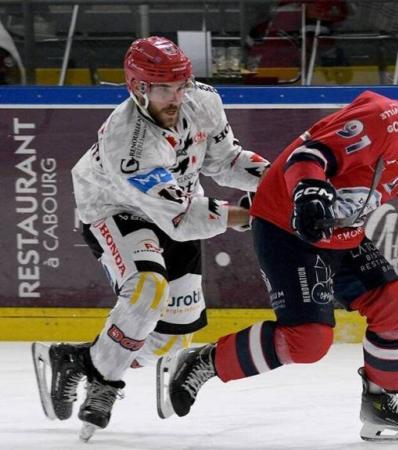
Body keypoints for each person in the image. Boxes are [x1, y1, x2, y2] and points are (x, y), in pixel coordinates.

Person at [156, 56, 398, 442]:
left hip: (342, 235)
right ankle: (203, 362)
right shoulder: (380, 116)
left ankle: (380, 403)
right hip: (288, 227)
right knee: (308, 342)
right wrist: (308, 190)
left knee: (396, 307)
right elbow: (311, 154)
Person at [30, 36, 269, 442]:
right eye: (163, 88)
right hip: (114, 209)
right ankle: (105, 385)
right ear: (137, 87)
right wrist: (246, 215)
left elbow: (225, 159)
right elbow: (179, 218)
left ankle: (78, 360)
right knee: (146, 288)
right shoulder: (127, 140)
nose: (176, 97)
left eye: (181, 85)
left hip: (179, 202)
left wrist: (280, 182)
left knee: (169, 340)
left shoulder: (203, 100)